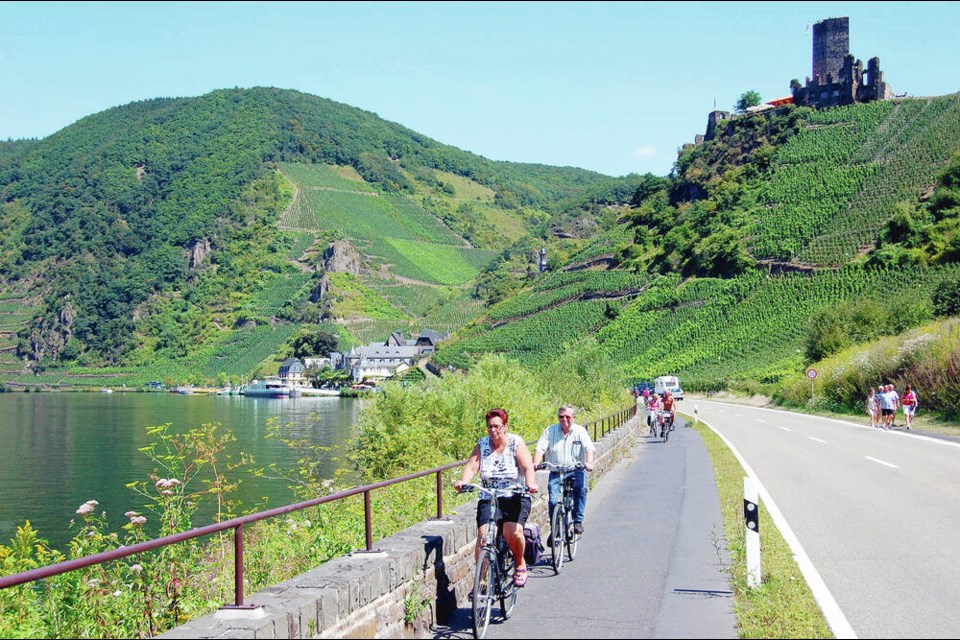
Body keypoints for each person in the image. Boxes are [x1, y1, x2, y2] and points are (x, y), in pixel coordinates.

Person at [455, 408, 538, 587]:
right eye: (490, 427)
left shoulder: (516, 442)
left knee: (512, 532)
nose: (493, 431)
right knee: (483, 535)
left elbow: (527, 467)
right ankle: (481, 581)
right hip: (489, 496)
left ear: (505, 426)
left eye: (497, 427)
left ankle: (520, 564)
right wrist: (464, 481)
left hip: (515, 494)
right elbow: (472, 466)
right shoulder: (483, 444)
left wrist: (530, 484)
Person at [532, 404, 595, 536]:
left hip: (575, 469)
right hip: (556, 471)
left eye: (567, 417)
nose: (564, 420)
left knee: (580, 489)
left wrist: (589, 462)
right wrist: (536, 462)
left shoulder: (580, 431)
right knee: (553, 501)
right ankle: (555, 529)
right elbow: (540, 448)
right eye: (561, 417)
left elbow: (588, 448)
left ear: (574, 417)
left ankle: (578, 520)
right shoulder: (550, 431)